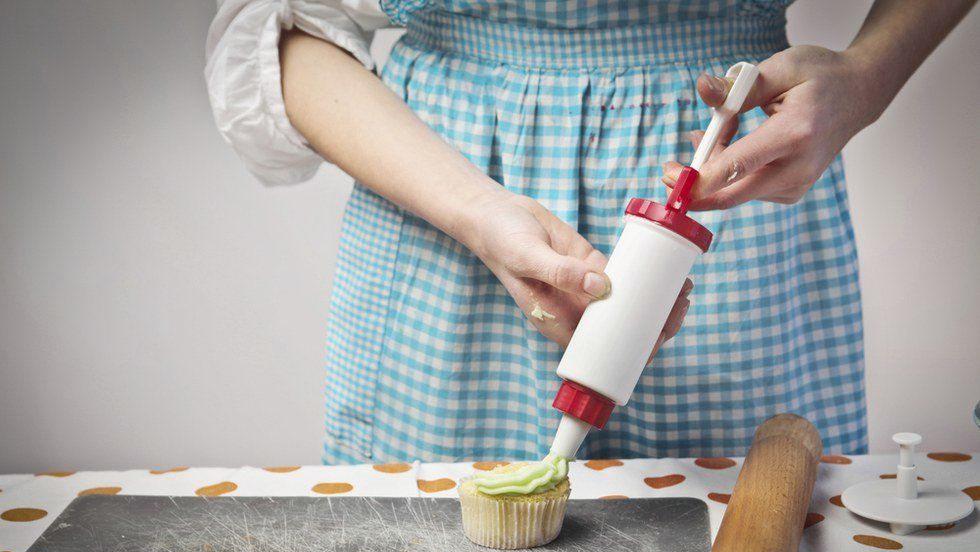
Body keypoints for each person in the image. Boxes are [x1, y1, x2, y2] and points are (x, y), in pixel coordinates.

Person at [205, 0, 974, 464]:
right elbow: (275, 23)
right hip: (446, 206)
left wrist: (866, 78)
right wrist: (474, 208)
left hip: (741, 199)